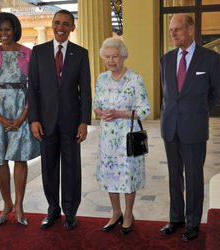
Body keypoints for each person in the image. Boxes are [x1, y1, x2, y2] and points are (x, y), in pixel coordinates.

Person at [159, 14, 220, 241]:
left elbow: (215, 92)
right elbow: (168, 94)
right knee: (174, 176)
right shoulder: (165, 59)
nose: (173, 33)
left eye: (177, 29)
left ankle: (193, 222)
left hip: (194, 128)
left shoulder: (210, 59)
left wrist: (198, 112)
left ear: (190, 29)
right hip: (170, 127)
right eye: (171, 30)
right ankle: (176, 218)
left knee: (194, 177)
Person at [28, 9, 92, 231]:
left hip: (72, 122)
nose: (61, 27)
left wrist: (84, 121)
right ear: (52, 24)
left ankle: (70, 212)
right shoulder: (38, 52)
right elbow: (33, 90)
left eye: (66, 23)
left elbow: (85, 90)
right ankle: (53, 209)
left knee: (72, 167)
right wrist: (33, 119)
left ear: (73, 27)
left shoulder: (81, 53)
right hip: (45, 122)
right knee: (49, 167)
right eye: (57, 23)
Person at [93, 37, 150, 234]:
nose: (111, 61)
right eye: (107, 57)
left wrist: (120, 114)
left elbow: (145, 109)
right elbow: (96, 106)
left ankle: (128, 214)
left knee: (127, 175)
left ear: (123, 56)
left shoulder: (135, 79)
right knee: (110, 174)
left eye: (115, 56)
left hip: (128, 136)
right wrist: (101, 113)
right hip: (107, 138)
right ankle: (115, 212)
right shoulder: (101, 79)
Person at [0, 12, 40, 226]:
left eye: (7, 29)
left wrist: (22, 117)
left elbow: (35, 88)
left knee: (20, 158)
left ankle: (19, 205)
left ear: (15, 30)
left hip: (22, 112)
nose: (3, 33)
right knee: (0, 161)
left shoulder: (29, 54)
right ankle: (7, 204)